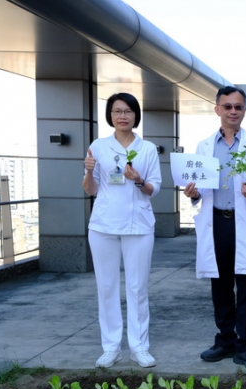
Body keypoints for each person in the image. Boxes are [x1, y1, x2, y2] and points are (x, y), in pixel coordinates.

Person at [184, 86, 246, 370]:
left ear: (244, 110)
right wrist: (193, 193)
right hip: (216, 222)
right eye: (228, 106)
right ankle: (224, 341)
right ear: (217, 109)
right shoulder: (204, 147)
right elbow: (199, 190)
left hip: (243, 221)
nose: (233, 111)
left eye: (239, 107)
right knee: (220, 286)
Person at [83, 93, 162, 368]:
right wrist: (87, 171)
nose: (122, 116)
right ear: (110, 115)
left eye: (128, 111)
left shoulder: (147, 149)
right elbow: (91, 189)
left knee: (138, 287)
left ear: (135, 115)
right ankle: (111, 347)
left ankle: (139, 347)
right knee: (106, 287)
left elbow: (153, 189)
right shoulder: (98, 146)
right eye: (117, 111)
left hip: (138, 226)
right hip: (103, 225)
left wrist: (139, 180)